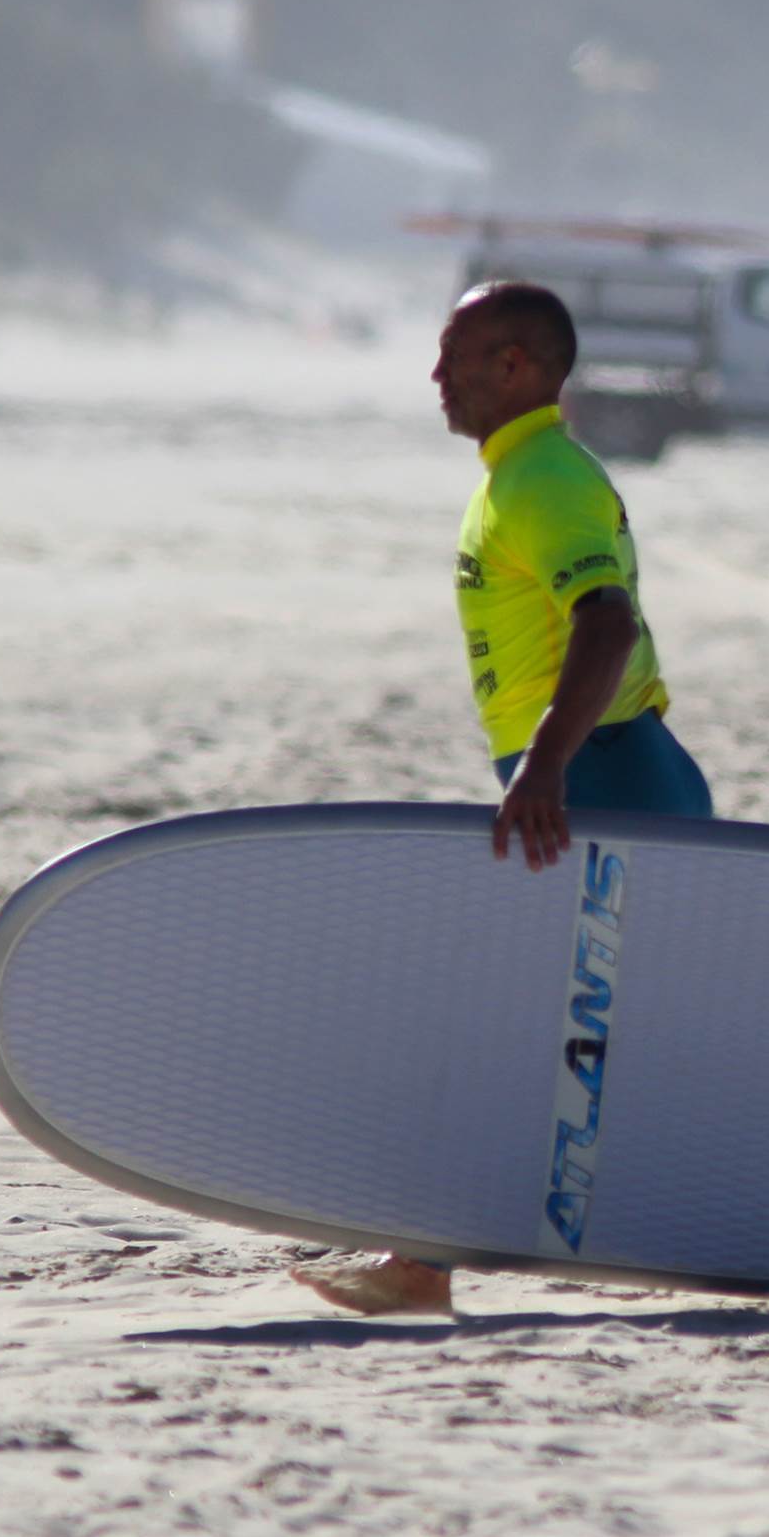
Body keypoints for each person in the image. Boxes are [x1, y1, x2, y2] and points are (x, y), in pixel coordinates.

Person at [293, 282, 714, 1316]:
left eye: (456, 354)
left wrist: (543, 765)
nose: (437, 376)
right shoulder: (516, 475)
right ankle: (430, 1261)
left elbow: (606, 624)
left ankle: (423, 1267)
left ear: (517, 365)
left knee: (505, 1019)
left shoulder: (542, 480)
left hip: (606, 775)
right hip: (601, 770)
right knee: (568, 1029)